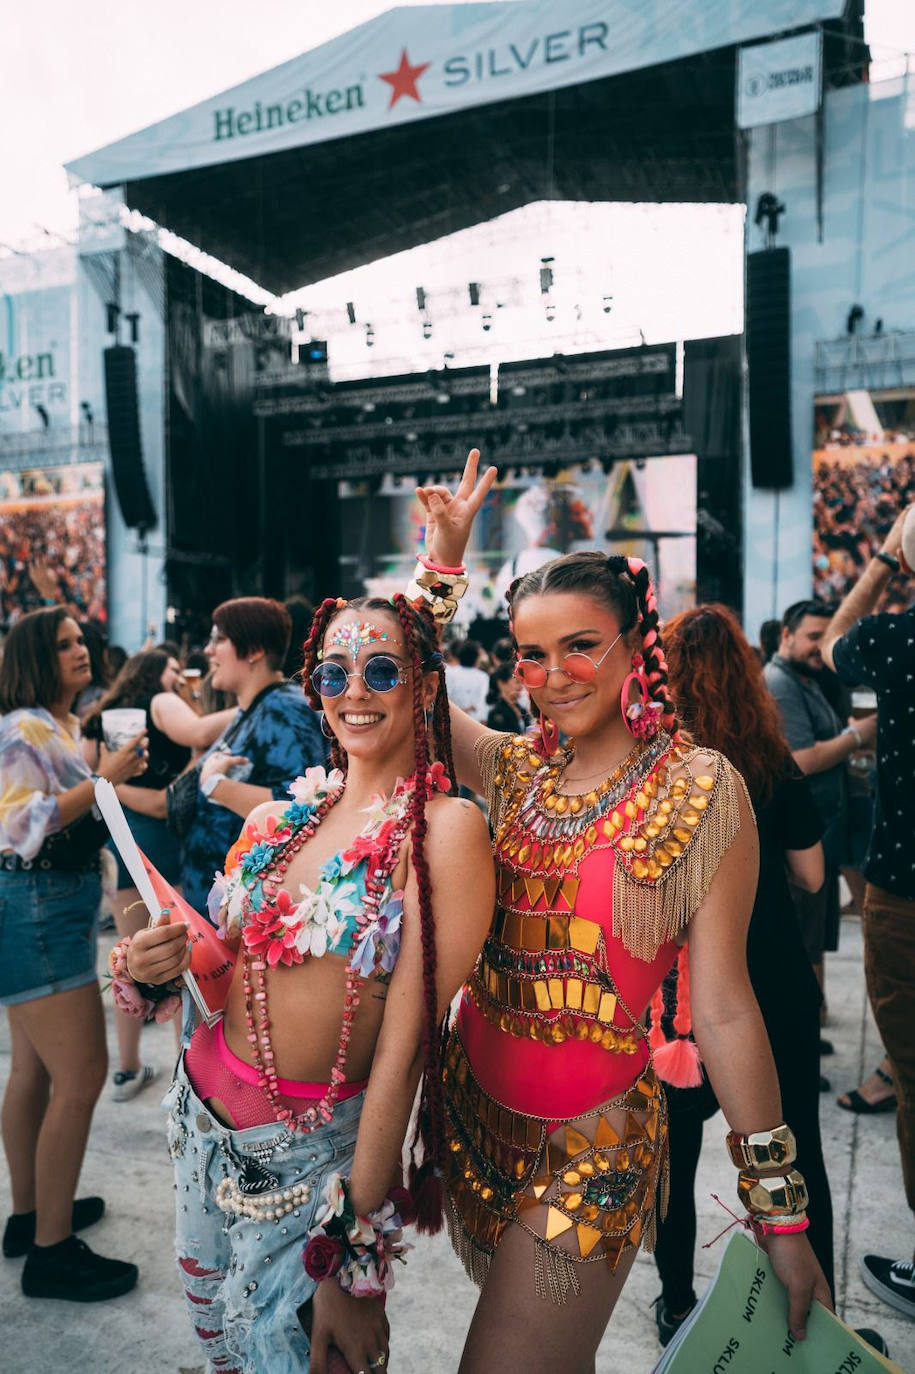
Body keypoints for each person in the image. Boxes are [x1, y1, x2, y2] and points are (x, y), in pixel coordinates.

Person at [410, 452, 829, 1371]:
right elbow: (408, 698)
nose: (552, 674)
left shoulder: (701, 789)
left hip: (593, 1145)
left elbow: (722, 1007)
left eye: (579, 645)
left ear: (638, 643)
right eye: (530, 652)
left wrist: (779, 1212)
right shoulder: (515, 769)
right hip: (477, 1120)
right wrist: (440, 568)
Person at [118, 595, 494, 1373]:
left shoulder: (441, 831)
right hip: (197, 1127)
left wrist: (357, 1264)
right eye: (334, 671)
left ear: (424, 688)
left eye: (381, 669)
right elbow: (223, 962)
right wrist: (151, 961)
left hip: (306, 1168)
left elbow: (404, 1053)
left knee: (289, 1356)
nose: (353, 690)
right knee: (222, 1346)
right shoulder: (280, 820)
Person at [649, 604, 833, 1344]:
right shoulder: (765, 758)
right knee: (796, 1152)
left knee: (673, 1161)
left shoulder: (655, 767)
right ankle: (814, 1309)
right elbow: (814, 877)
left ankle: (673, 1302)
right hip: (774, 980)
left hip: (681, 1000)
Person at [0, 608, 147, 1301]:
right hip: (38, 909)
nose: (81, 651)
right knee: (83, 1076)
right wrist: (106, 778)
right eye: (63, 645)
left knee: (32, 1070)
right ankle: (53, 1252)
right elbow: (19, 824)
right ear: (35, 657)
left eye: (81, 640)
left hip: (40, 909)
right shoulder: (25, 724)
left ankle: (31, 1217)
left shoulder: (55, 725)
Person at [821, 503, 915, 1320]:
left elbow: (831, 642)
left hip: (904, 889)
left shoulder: (898, 642)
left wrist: (886, 557)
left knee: (912, 1070)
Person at [82, 648, 235, 1101]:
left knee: (127, 963)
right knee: (178, 960)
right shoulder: (159, 701)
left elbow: (93, 775)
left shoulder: (97, 717)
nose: (177, 676)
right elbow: (200, 730)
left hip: (116, 841)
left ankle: (127, 1068)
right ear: (153, 673)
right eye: (172, 669)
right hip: (158, 840)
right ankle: (184, 1066)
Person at [763, 601, 876, 1031]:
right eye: (813, 637)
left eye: (827, 639)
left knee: (815, 937)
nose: (820, 647)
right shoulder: (780, 682)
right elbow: (803, 759)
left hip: (823, 828)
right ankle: (804, 1027)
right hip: (804, 836)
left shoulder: (806, 679)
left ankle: (815, 1017)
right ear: (786, 637)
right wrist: (859, 734)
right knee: (805, 940)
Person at [180, 597, 326, 917]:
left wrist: (216, 785)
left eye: (219, 639)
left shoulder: (284, 710)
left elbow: (305, 808)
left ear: (255, 650)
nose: (208, 650)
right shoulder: (256, 707)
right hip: (216, 905)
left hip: (245, 914)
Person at [444, 638, 491, 721]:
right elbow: (482, 702)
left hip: (453, 718)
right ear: (476, 658)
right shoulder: (483, 676)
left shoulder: (449, 673)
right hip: (475, 720)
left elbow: (447, 698)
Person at [485, 663, 531, 735]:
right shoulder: (496, 712)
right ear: (501, 684)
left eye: (522, 682)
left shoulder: (522, 709)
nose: (521, 687)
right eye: (517, 682)